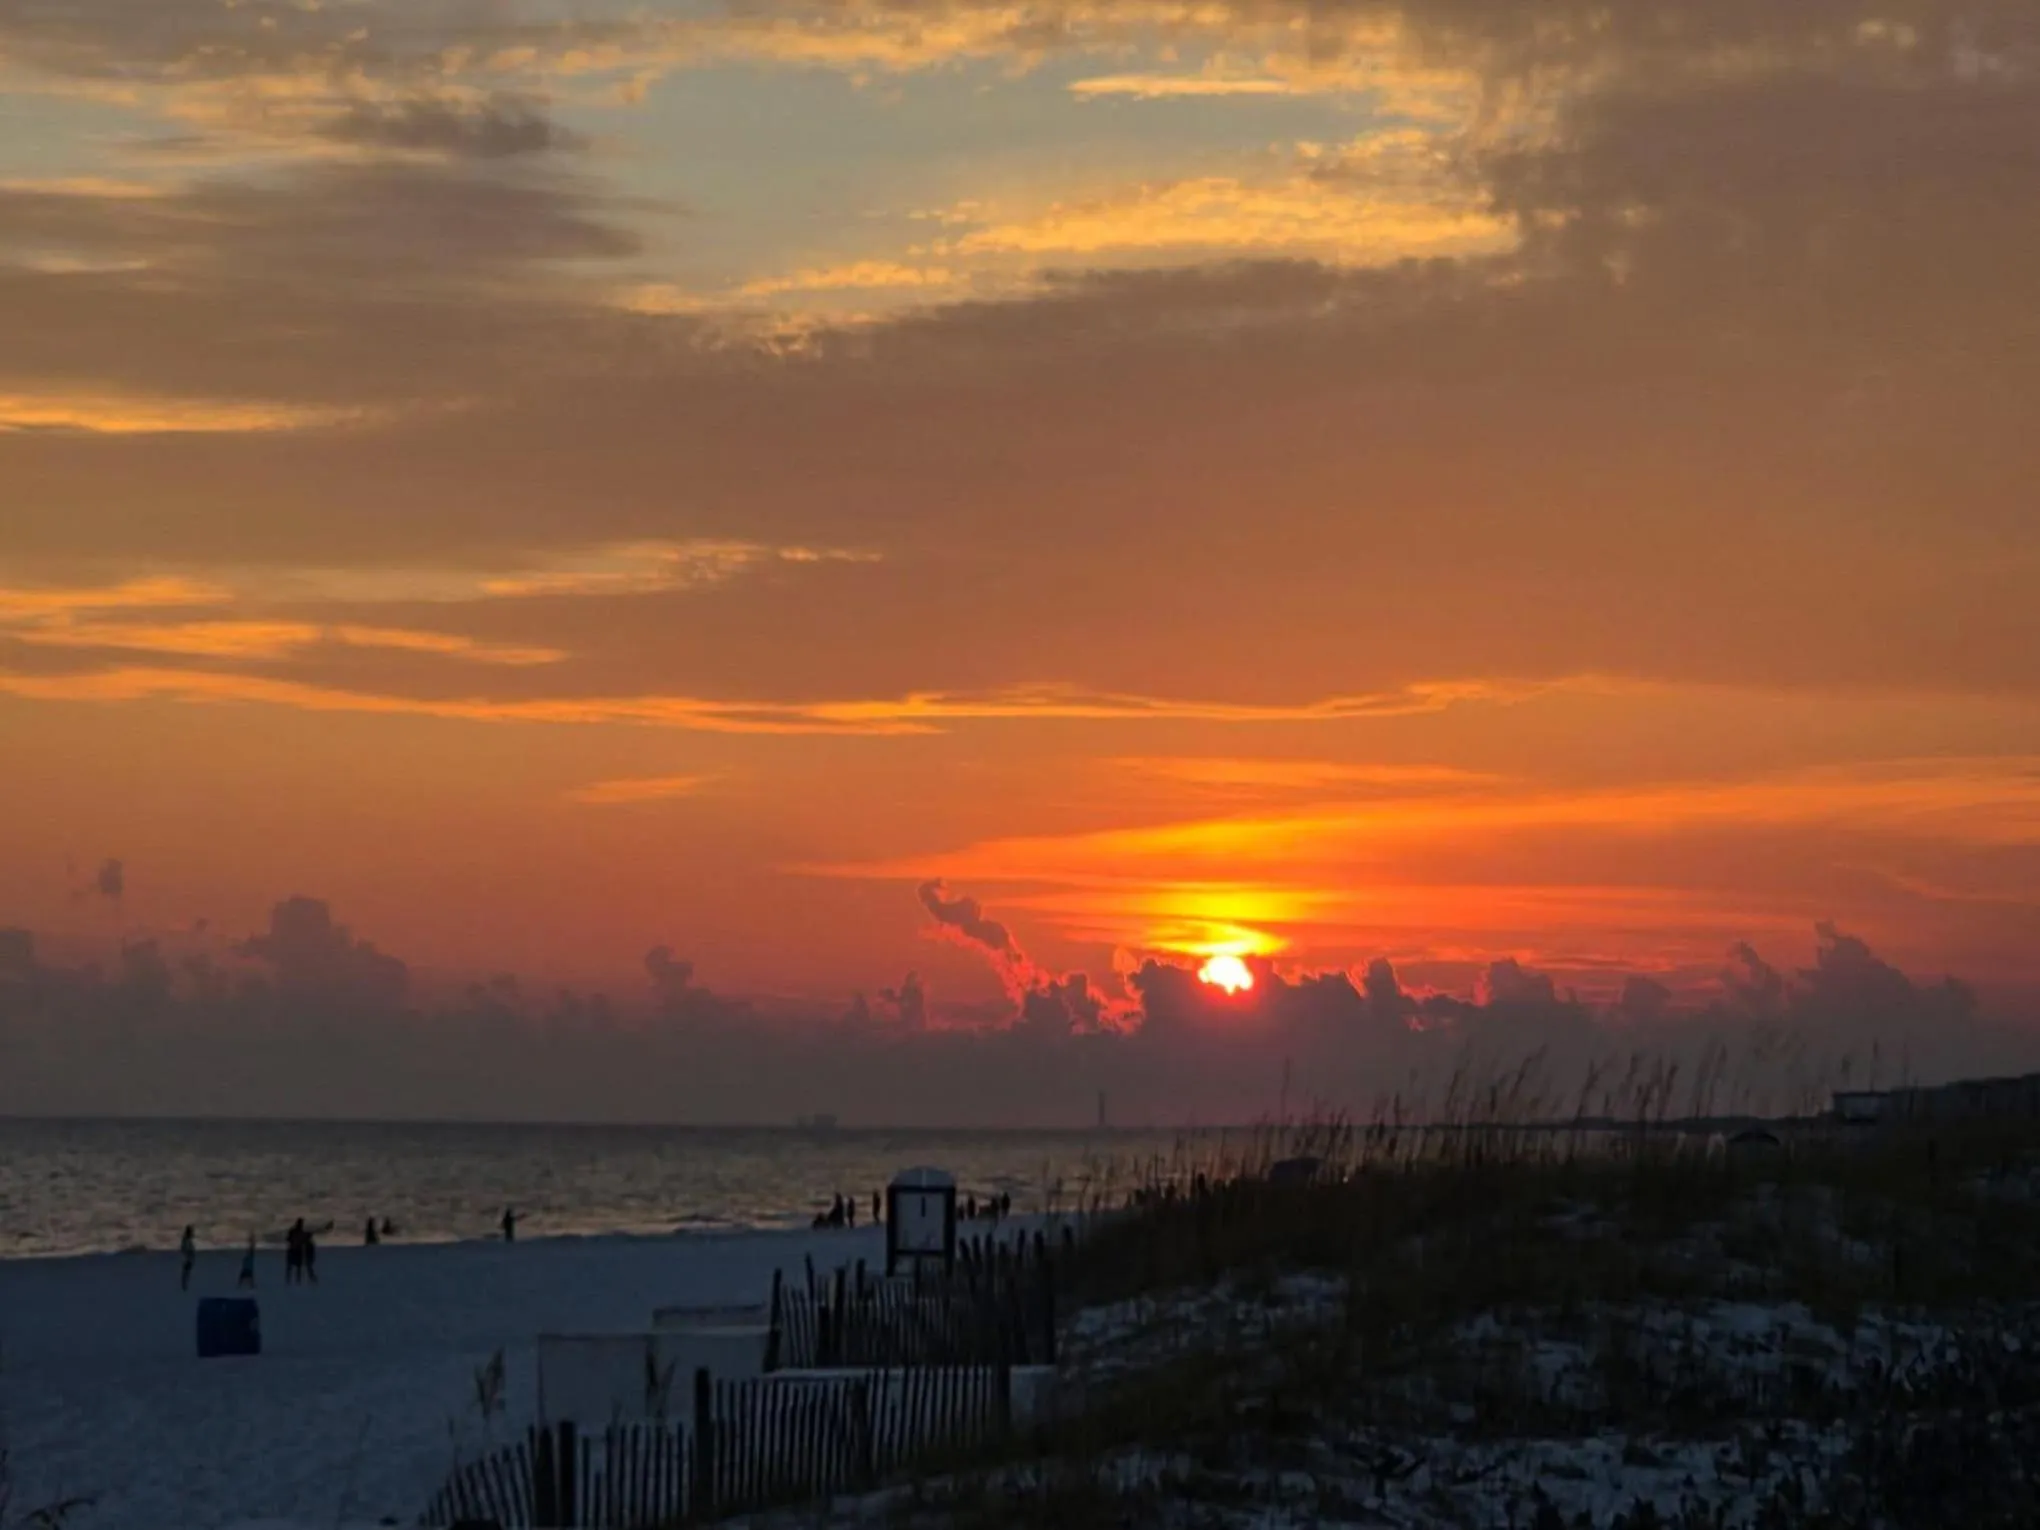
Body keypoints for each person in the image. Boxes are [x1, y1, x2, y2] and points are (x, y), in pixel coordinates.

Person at [286, 1218, 306, 1285]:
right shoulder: (300, 1232)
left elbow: (288, 1239)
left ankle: (289, 1280)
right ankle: (297, 1281)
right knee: (297, 1268)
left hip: (293, 1250)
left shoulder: (293, 1231)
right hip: (297, 1251)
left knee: (290, 1267)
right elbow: (303, 1241)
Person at [179, 1225, 197, 1291]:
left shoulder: (187, 1239)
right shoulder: (186, 1240)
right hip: (188, 1258)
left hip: (188, 1258)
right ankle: (184, 1285)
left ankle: (184, 1284)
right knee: (186, 1272)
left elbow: (184, 1248)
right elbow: (185, 1249)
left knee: (186, 1272)